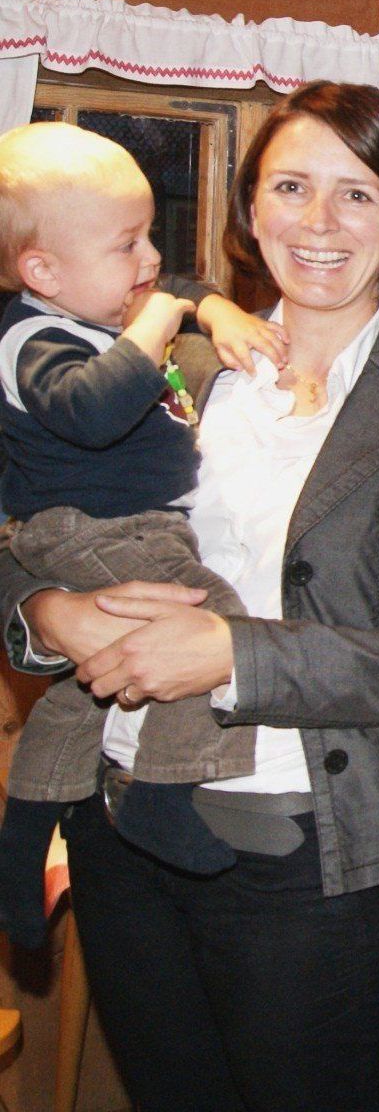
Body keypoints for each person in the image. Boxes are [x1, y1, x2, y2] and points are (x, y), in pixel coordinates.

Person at [0, 81, 379, 1111]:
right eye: (291, 186)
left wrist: (229, 653)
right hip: (119, 824)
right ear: (250, 210)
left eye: (358, 195)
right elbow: (31, 521)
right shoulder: (171, 358)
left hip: (303, 840)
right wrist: (40, 616)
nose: (320, 223)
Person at [0, 121, 290, 903]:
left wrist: (215, 312)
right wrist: (158, 324)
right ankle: (164, 794)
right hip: (96, 528)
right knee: (213, 624)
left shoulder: (82, 315)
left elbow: (182, 289)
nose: (151, 260)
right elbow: (91, 413)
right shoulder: (29, 341)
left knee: (78, 695)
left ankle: (21, 838)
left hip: (117, 528)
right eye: (127, 244)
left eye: (150, 234)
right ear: (42, 270)